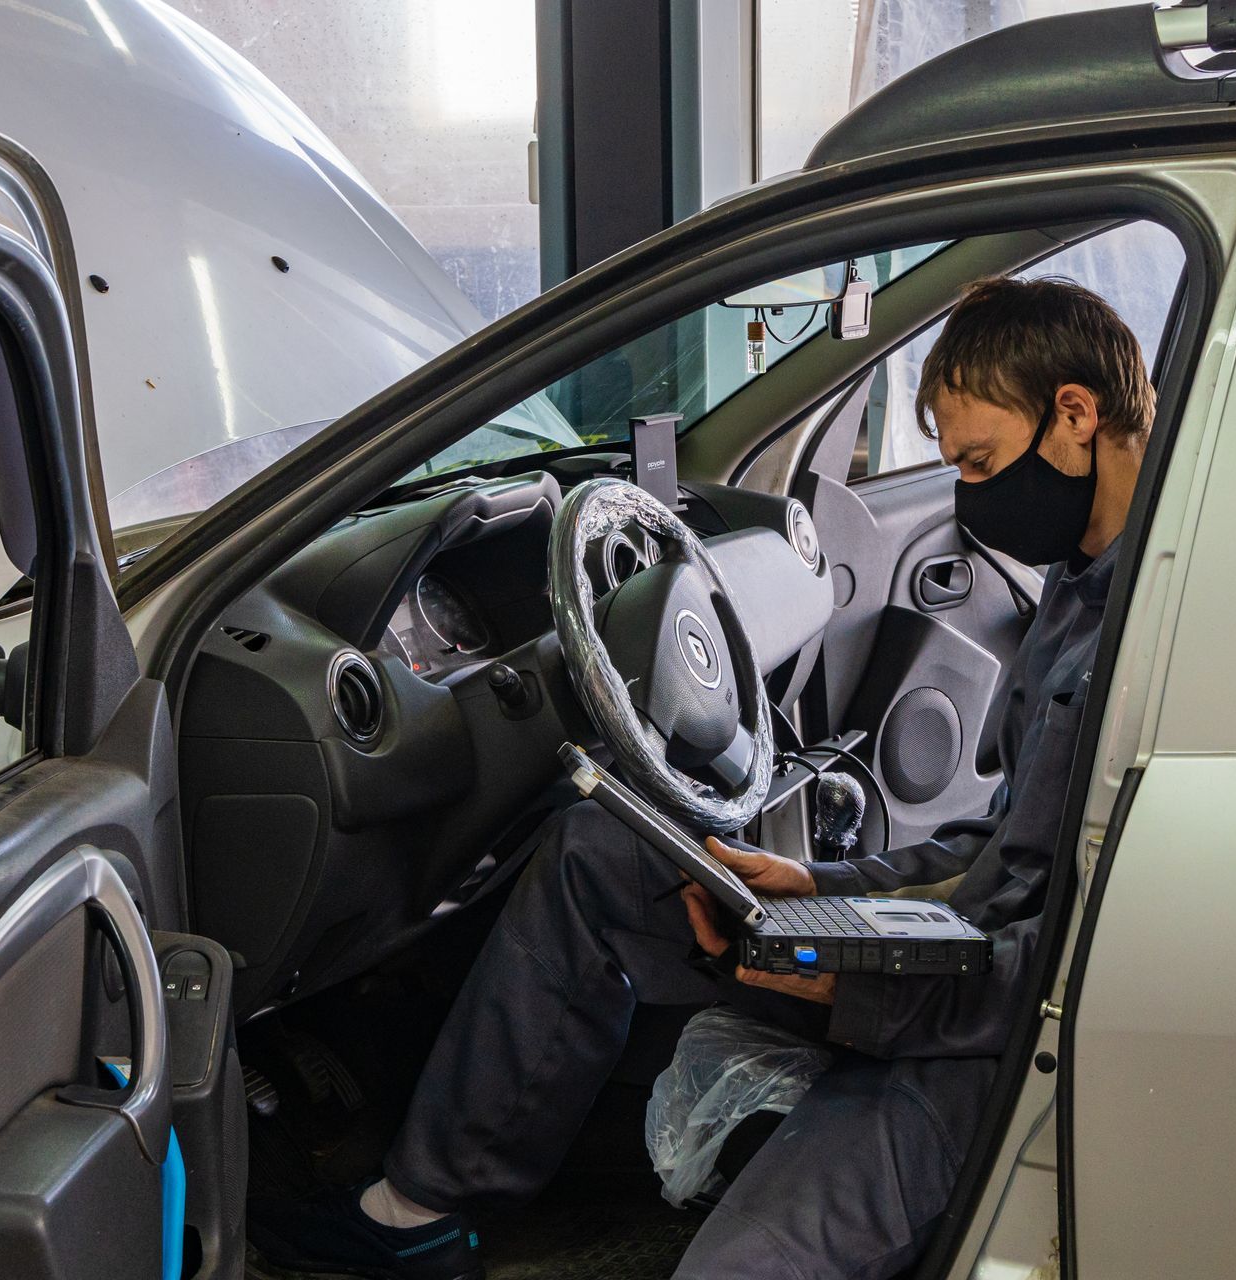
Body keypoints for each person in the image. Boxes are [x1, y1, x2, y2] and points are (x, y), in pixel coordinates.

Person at [255, 277, 1155, 1280]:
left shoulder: (1161, 636)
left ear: (1076, 412)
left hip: (987, 1049)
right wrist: (816, 893)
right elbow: (994, 849)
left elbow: (1067, 973)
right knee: (600, 851)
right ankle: (422, 1206)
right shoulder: (1076, 593)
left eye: (979, 461)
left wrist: (833, 980)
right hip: (947, 971)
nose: (968, 496)